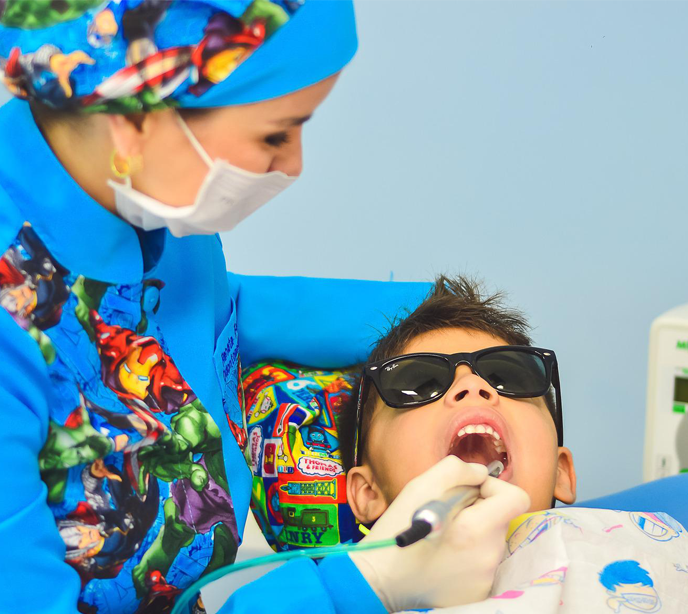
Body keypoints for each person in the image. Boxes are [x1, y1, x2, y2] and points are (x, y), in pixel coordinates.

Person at [0, 3, 527, 613]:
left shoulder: (148, 207)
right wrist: (363, 586)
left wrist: (444, 323)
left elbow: (198, 314)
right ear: (137, 115)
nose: (293, 165)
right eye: (275, 133)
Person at [337, 275, 688, 613]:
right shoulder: (352, 595)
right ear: (368, 493)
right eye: (419, 383)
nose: (473, 385)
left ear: (560, 471)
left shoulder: (652, 536)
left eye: (508, 377)